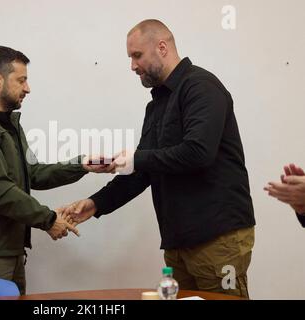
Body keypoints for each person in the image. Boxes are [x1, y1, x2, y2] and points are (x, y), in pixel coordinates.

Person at [62, 20, 256, 298]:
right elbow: (144, 171)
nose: (132, 66)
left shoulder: (201, 86)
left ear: (162, 47)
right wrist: (95, 204)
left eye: (136, 55)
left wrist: (134, 159)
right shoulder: (156, 105)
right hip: (179, 243)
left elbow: (198, 153)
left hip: (217, 237)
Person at [0, 46, 110, 295]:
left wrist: (83, 164)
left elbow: (33, 173)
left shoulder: (8, 126)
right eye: (21, 80)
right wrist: (49, 219)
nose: (28, 88)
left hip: (9, 252)